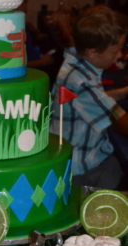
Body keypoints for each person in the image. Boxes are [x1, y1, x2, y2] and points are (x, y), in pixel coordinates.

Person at [50, 5, 128, 189]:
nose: (119, 55)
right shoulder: (80, 82)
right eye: (114, 51)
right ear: (92, 51)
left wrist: (123, 91)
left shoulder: (76, 59)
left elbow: (93, 99)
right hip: (84, 171)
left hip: (91, 157)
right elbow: (123, 124)